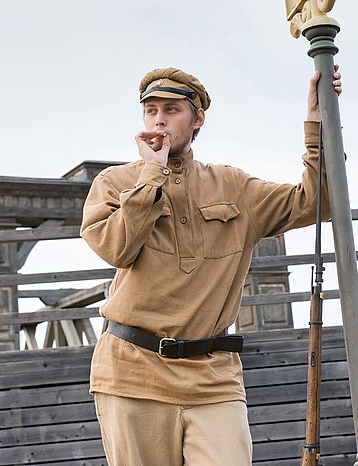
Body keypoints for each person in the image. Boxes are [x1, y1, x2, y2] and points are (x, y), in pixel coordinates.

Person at [80, 65, 342, 466]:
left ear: (198, 118)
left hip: (214, 378)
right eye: (151, 111)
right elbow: (116, 249)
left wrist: (317, 122)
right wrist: (153, 175)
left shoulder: (233, 186)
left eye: (171, 109)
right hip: (132, 372)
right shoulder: (115, 184)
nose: (159, 119)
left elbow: (318, 199)